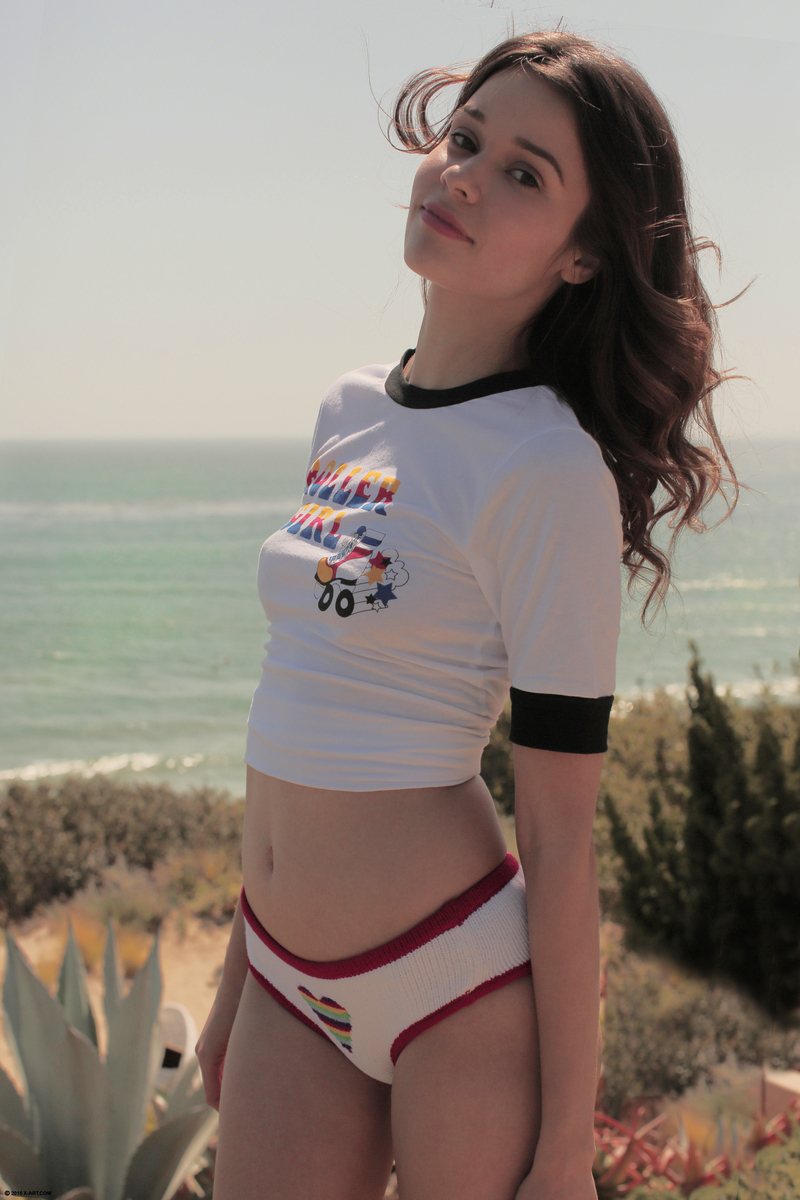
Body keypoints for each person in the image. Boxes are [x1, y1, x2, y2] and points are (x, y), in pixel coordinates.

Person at [198, 27, 740, 1200]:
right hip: (283, 973)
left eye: (523, 174)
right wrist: (237, 978)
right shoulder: (346, 408)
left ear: (583, 255)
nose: (465, 178)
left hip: (450, 984)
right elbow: (299, 705)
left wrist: (563, 1149)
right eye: (466, 139)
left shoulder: (545, 467)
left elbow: (556, 835)